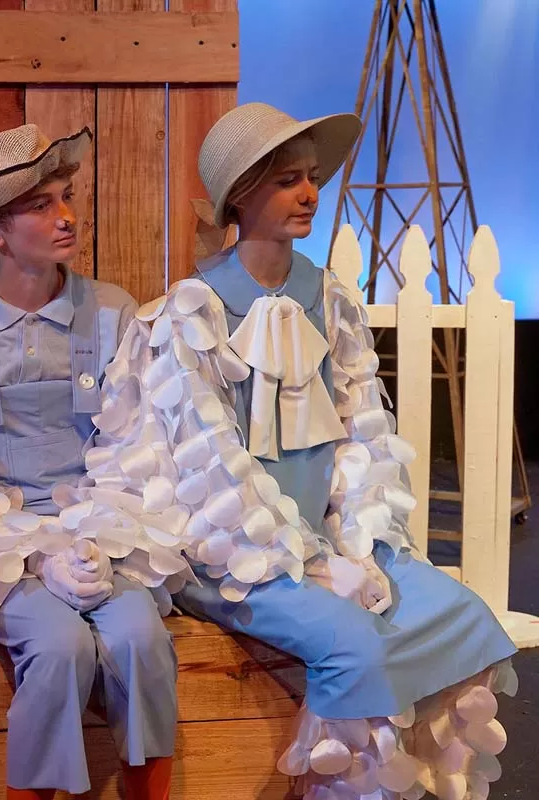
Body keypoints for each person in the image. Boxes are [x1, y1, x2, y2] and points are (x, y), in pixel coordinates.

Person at [90, 102, 518, 799]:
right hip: (237, 561)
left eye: (313, 176)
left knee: (466, 617)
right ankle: (341, 777)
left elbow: (360, 430)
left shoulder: (330, 299)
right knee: (354, 645)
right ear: (241, 196)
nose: (310, 193)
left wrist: (357, 543)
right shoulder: (188, 314)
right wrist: (310, 567)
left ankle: (410, 775)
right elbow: (209, 472)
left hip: (333, 540)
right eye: (288, 180)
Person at [0, 123, 179, 800]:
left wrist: (99, 540)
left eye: (67, 196)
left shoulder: (111, 313)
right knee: (59, 648)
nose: (66, 216)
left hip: (102, 532)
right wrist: (28, 556)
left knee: (141, 639)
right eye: (40, 204)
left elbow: (137, 445)